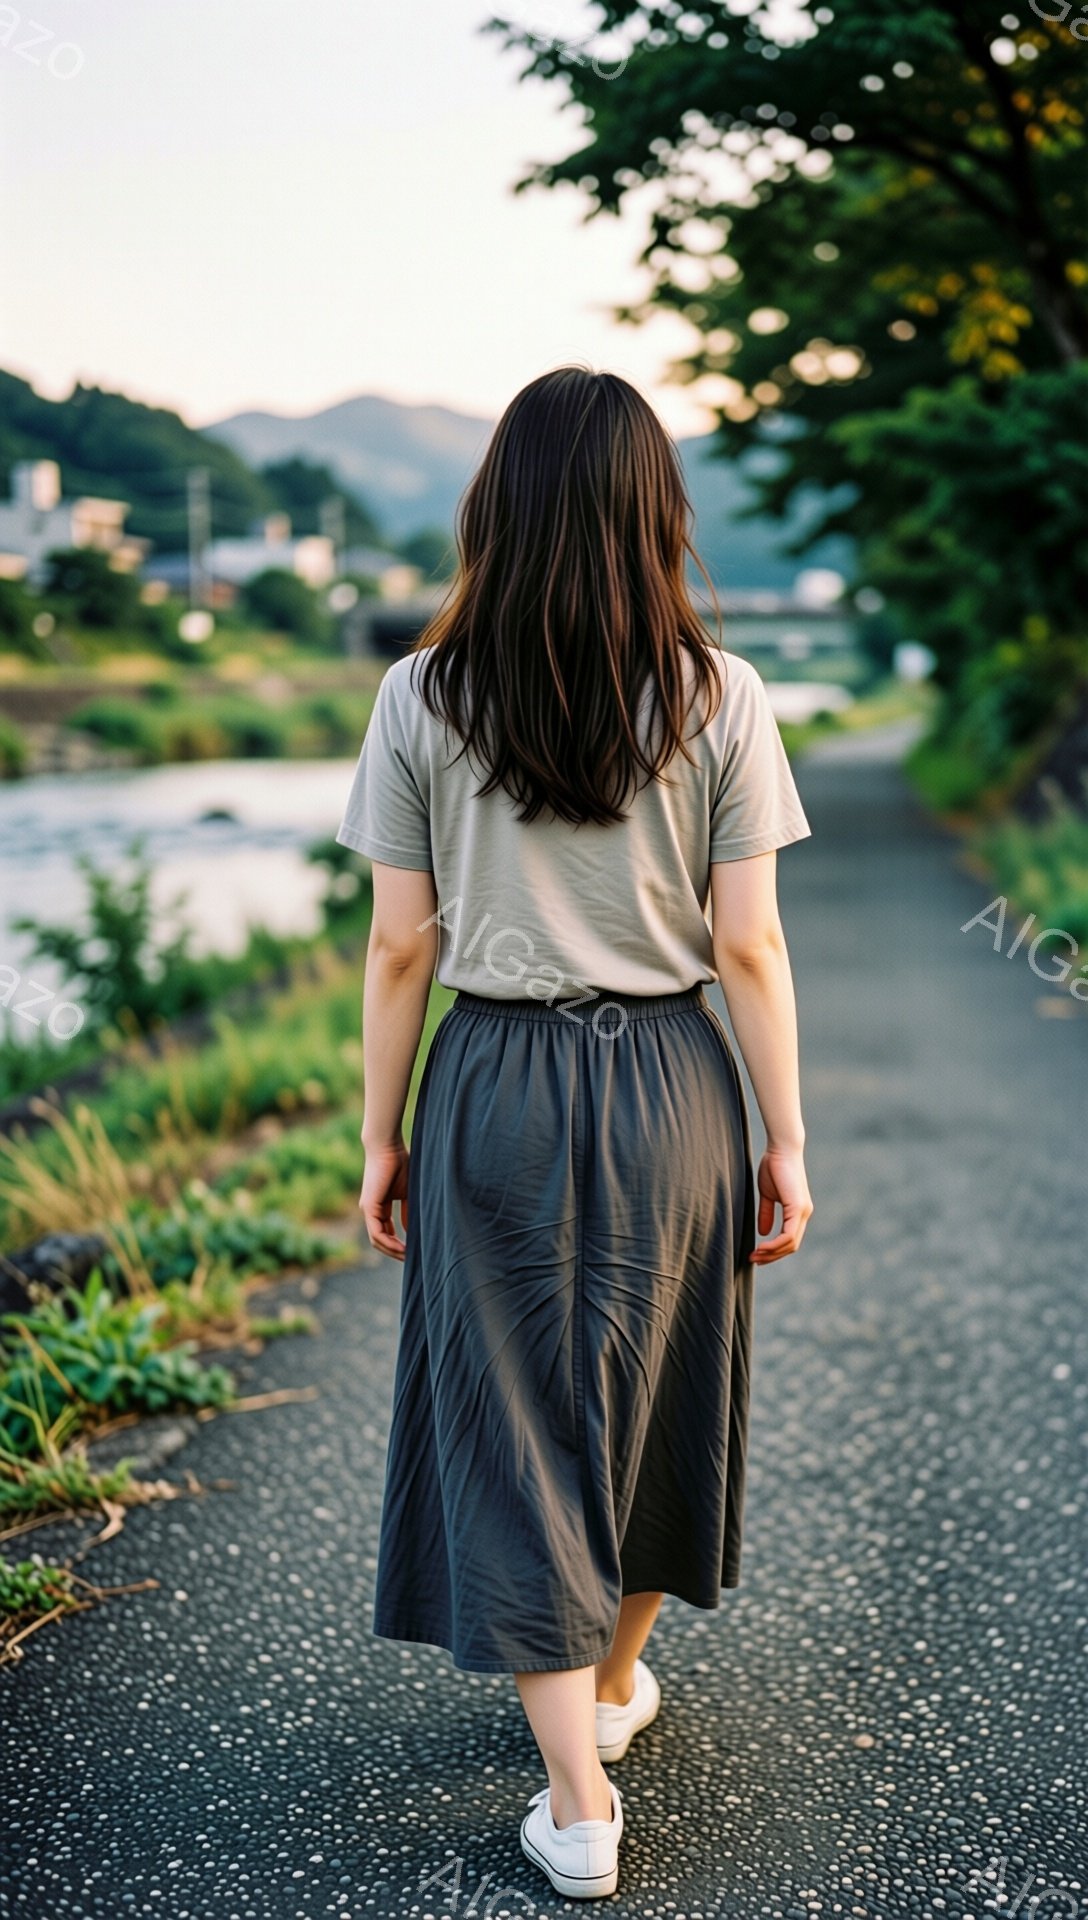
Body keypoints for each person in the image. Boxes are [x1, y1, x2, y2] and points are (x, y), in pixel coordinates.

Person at [336, 366, 814, 1901]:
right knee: (663, 1388)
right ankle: (602, 1694)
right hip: (678, 1082)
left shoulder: (421, 694)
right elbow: (749, 946)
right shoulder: (719, 693)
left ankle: (581, 1789)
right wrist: (785, 1134)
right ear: (652, 510)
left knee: (516, 1426)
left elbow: (400, 949)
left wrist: (380, 1132)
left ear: (499, 508)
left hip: (493, 1084)